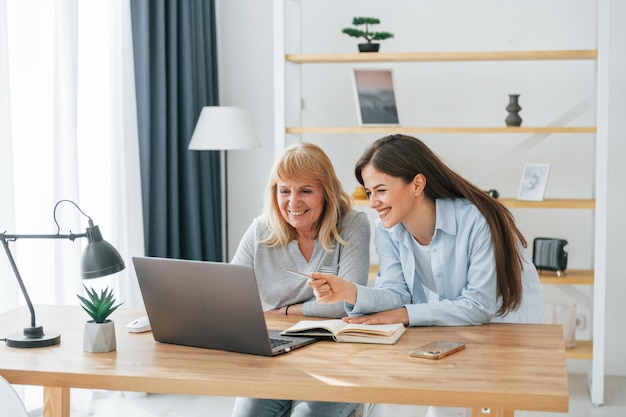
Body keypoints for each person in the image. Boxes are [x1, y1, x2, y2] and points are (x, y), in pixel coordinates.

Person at [308, 134, 544, 417]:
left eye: (381, 190)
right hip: (458, 322)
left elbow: (479, 306)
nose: (373, 203)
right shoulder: (388, 229)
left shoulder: (477, 220)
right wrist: (350, 292)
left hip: (508, 325)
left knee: (461, 406)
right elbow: (396, 293)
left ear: (417, 184)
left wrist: (405, 314)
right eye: (369, 193)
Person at [230, 141, 370, 417]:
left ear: (326, 193)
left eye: (306, 191)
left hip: (336, 354)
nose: (293, 203)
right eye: (284, 191)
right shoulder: (260, 230)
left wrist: (284, 310)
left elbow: (344, 304)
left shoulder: (353, 225)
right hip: (276, 351)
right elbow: (228, 293)